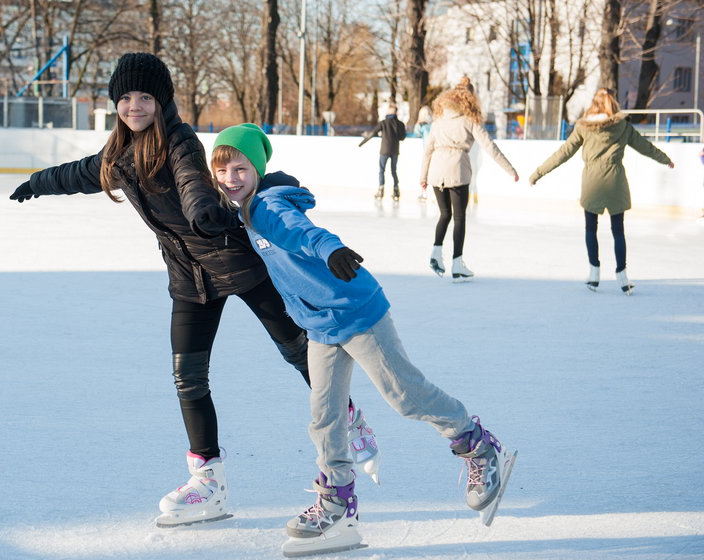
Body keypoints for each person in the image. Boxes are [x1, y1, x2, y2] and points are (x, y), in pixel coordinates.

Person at [7, 53, 380, 528]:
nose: (134, 105)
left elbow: (190, 182)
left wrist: (203, 207)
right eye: (125, 97)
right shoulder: (117, 155)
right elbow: (79, 173)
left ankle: (349, 420)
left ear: (162, 101)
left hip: (236, 262)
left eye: (144, 96)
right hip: (188, 278)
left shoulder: (179, 141)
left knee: (297, 351)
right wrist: (37, 183)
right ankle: (209, 482)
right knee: (188, 377)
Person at [207, 123, 516, 556]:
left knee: (404, 394)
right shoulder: (241, 210)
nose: (231, 178)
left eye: (240, 168)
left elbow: (303, 233)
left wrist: (331, 249)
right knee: (325, 416)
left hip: (355, 311)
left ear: (256, 170)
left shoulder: (267, 207)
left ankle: (476, 444)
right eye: (222, 170)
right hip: (320, 324)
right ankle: (337, 499)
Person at [529, 87, 674, 294]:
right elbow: (644, 146)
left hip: (592, 182)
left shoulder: (583, 127)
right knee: (618, 231)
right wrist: (665, 159)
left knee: (591, 229)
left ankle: (594, 274)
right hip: (615, 181)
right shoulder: (622, 126)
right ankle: (622, 277)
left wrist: (538, 173)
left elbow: (563, 153)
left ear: (593, 104)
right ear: (613, 103)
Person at [420, 77, 519, 281]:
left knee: (444, 214)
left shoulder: (438, 121)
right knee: (459, 217)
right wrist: (510, 170)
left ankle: (435, 254)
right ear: (470, 99)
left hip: (436, 172)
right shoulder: (469, 120)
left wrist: (423, 177)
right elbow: (490, 147)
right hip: (457, 170)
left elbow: (428, 150)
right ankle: (457, 264)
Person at [358, 103, 407, 201]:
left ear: (388, 112)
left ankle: (381, 190)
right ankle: (396, 190)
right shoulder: (400, 124)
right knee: (394, 171)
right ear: (396, 112)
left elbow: (372, 133)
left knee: (381, 170)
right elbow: (402, 137)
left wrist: (361, 143)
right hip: (395, 150)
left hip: (384, 150)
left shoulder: (383, 123)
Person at [414, 105, 432, 201]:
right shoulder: (433, 125)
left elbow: (416, 132)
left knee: (425, 173)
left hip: (427, 152)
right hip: (432, 151)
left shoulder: (421, 126)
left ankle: (424, 192)